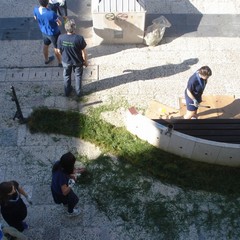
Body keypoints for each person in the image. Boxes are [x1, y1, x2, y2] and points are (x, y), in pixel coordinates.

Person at [57, 19, 88, 97]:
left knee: (66, 75)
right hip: (77, 61)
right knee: (78, 76)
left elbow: (58, 50)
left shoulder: (61, 38)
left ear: (65, 28)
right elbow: (84, 52)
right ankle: (79, 92)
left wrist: (63, 57)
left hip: (66, 61)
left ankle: (67, 92)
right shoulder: (79, 38)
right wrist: (85, 61)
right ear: (74, 28)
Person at [51, 152, 85, 217]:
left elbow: (69, 171)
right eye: (73, 164)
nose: (74, 165)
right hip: (60, 193)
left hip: (54, 188)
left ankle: (65, 203)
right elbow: (65, 192)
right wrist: (72, 182)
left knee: (66, 201)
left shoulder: (58, 164)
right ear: (68, 166)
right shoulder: (62, 177)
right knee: (74, 200)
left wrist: (78, 171)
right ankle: (70, 212)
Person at [33, 0, 62, 66]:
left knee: (46, 45)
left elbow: (35, 18)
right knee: (56, 48)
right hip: (53, 33)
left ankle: (46, 60)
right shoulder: (51, 13)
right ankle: (60, 62)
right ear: (47, 3)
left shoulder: (36, 10)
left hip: (44, 31)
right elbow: (59, 23)